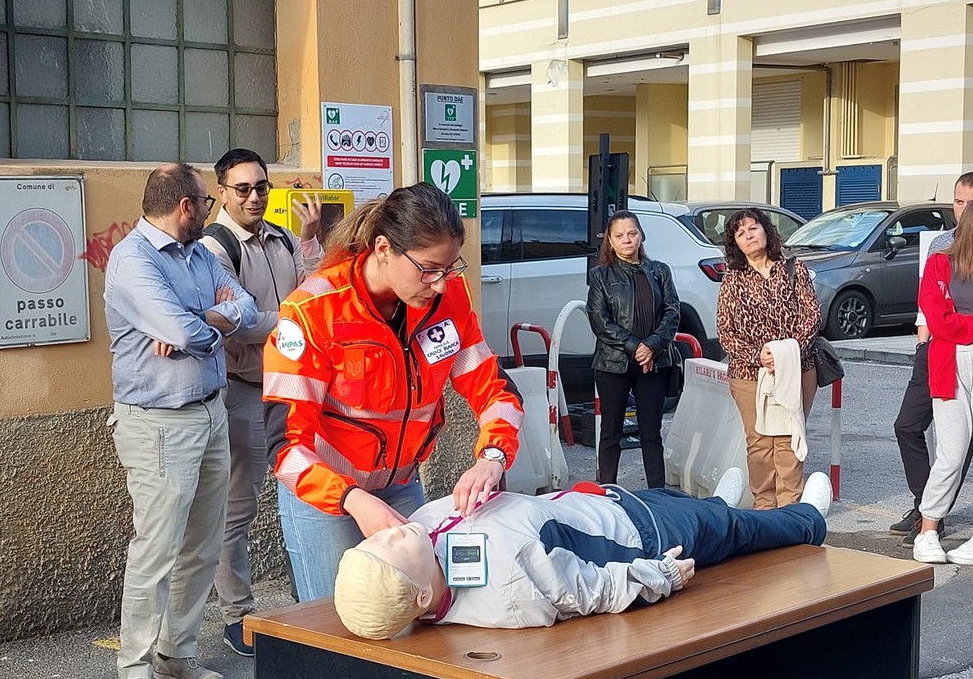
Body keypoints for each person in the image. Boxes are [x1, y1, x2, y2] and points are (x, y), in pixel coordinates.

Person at [262, 182, 524, 603]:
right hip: (328, 499)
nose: (439, 285)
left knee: (411, 616)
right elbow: (284, 448)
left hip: (401, 484)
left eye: (449, 267)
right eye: (428, 269)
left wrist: (492, 459)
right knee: (336, 627)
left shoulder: (448, 299)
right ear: (384, 249)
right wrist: (352, 500)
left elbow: (496, 392)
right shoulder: (312, 312)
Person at [104, 163, 259, 679]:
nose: (214, 209)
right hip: (159, 422)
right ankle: (132, 672)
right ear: (187, 206)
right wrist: (203, 325)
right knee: (157, 548)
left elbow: (244, 308)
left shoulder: (198, 255)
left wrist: (204, 320)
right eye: (207, 201)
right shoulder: (132, 261)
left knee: (203, 540)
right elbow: (188, 334)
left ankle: (178, 650)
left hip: (209, 411)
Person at [332, 468, 833, 638]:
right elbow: (588, 592)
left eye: (375, 538)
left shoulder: (419, 534)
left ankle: (716, 504)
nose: (388, 532)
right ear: (421, 597)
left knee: (695, 506)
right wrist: (660, 576)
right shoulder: (509, 590)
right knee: (732, 531)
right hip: (640, 536)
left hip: (598, 503)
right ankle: (808, 522)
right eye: (389, 548)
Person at [201, 149, 324, 658]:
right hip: (245, 389)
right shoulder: (214, 247)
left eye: (261, 187)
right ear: (223, 193)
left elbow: (315, 292)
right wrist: (291, 322)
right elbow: (236, 320)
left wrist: (312, 239)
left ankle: (309, 601)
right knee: (239, 507)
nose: (255, 197)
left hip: (292, 389)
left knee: (308, 493)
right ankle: (237, 613)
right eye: (244, 189)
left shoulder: (278, 237)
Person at [890, 172, 973, 546]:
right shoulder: (939, 261)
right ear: (968, 223)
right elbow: (939, 322)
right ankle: (929, 526)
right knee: (949, 452)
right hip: (946, 360)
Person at [716, 208, 822, 508]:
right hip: (749, 374)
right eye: (741, 232)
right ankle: (764, 507)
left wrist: (787, 353)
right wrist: (758, 355)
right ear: (735, 242)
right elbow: (726, 330)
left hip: (797, 368)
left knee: (790, 437)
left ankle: (790, 508)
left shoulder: (793, 268)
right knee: (760, 443)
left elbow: (811, 315)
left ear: (766, 230)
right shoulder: (733, 278)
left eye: (753, 228)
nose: (749, 235)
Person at [586, 210, 681, 488]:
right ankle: (606, 490)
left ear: (641, 236)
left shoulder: (659, 270)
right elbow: (598, 319)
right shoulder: (601, 275)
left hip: (655, 361)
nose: (627, 240)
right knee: (610, 431)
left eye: (632, 233)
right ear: (611, 242)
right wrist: (634, 346)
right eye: (619, 236)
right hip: (612, 363)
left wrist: (651, 346)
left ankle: (658, 492)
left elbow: (672, 312)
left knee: (651, 432)